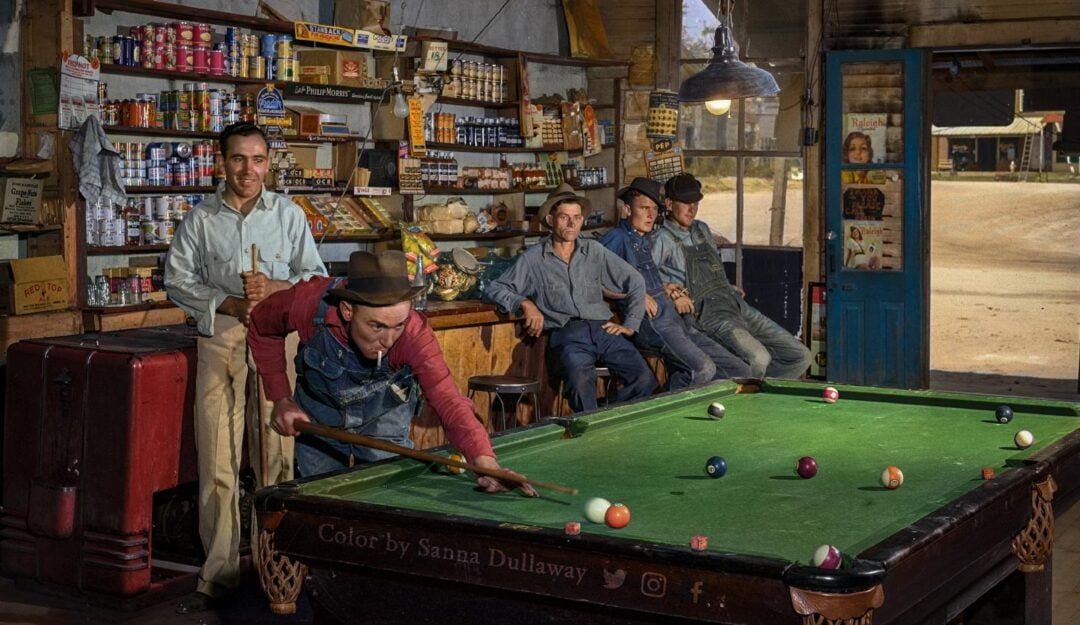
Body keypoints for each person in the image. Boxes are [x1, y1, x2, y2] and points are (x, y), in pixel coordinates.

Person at [165, 122, 328, 613]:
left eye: (258, 160)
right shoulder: (200, 220)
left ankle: (274, 566)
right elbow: (177, 280)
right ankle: (219, 575)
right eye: (238, 159)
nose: (249, 170)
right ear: (222, 162)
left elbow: (316, 278)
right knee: (217, 460)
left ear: (268, 163)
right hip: (221, 340)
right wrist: (228, 304)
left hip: (277, 341)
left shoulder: (288, 214)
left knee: (276, 456)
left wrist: (277, 287)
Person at [246, 250, 536, 498]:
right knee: (321, 510)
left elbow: (448, 399)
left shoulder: (414, 335)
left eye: (398, 325)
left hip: (384, 422)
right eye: (376, 327)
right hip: (318, 419)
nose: (388, 339)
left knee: (387, 509)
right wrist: (281, 398)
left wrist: (486, 462)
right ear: (348, 310)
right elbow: (261, 325)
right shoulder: (307, 303)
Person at [484, 184, 655, 413]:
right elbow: (495, 287)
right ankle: (592, 429)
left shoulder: (594, 250)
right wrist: (524, 303)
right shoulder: (534, 258)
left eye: (577, 217)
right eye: (565, 217)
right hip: (567, 336)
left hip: (603, 328)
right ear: (550, 219)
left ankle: (603, 419)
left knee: (644, 379)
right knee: (580, 384)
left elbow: (635, 281)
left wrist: (630, 325)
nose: (572, 224)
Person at [653, 173, 811, 380]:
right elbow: (644, 279)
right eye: (685, 203)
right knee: (759, 357)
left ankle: (760, 392)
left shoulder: (701, 229)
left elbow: (713, 267)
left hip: (732, 302)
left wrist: (726, 285)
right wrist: (670, 290)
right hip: (706, 313)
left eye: (696, 203)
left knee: (800, 355)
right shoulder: (661, 238)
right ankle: (747, 405)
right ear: (669, 203)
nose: (692, 209)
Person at [600, 177, 750, 390]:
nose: (651, 215)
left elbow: (640, 277)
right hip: (650, 325)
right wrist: (634, 295)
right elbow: (588, 276)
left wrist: (665, 287)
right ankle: (669, 413)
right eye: (643, 208)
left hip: (674, 320)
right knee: (703, 369)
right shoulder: (616, 238)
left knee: (741, 370)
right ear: (627, 210)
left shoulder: (645, 239)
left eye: (654, 209)